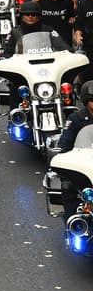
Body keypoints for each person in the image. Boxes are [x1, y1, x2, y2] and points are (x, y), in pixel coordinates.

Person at [56, 81, 93, 215]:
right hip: (83, 168)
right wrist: (62, 157)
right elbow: (64, 144)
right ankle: (73, 224)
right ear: (86, 101)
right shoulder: (76, 118)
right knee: (68, 185)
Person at [0, 0, 68, 59]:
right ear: (22, 17)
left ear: (38, 16)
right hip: (22, 66)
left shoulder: (48, 30)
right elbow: (7, 52)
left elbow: (62, 46)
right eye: (27, 14)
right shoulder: (15, 32)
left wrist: (70, 54)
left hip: (47, 63)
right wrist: (4, 59)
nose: (30, 16)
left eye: (34, 14)